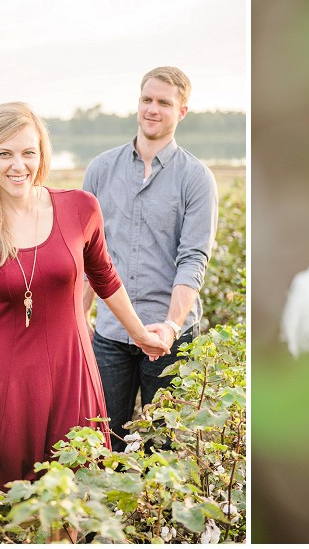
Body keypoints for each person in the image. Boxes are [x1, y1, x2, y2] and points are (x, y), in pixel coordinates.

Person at [0, 102, 168, 492]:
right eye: (5, 154)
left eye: (28, 152)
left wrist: (138, 333)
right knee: (20, 510)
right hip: (10, 387)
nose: (19, 165)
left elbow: (105, 277)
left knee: (76, 501)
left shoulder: (80, 208)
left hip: (75, 376)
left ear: (42, 154)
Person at [83, 66, 218, 451]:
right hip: (110, 334)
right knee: (105, 442)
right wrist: (80, 317)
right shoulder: (100, 170)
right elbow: (89, 257)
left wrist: (171, 327)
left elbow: (193, 259)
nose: (152, 109)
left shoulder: (196, 178)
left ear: (182, 111)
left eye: (164, 102)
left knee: (164, 448)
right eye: (147, 99)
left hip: (167, 336)